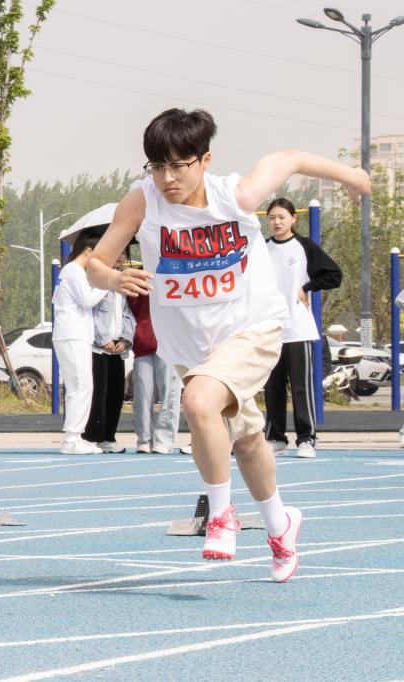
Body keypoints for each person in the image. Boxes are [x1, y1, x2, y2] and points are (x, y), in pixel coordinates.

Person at [86, 108, 370, 582]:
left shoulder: (234, 196)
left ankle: (220, 515)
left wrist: (353, 176)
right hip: (191, 344)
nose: (167, 178)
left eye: (178, 166)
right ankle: (281, 525)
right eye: (157, 166)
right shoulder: (142, 201)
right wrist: (113, 278)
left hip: (250, 326)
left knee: (199, 402)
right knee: (246, 439)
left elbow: (289, 157)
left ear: (204, 160)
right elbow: (96, 264)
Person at [263, 198, 342, 460]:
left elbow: (334, 275)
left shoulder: (304, 246)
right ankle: (275, 438)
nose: (276, 222)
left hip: (298, 328)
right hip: (270, 329)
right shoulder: (262, 249)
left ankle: (306, 439)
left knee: (301, 387)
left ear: (293, 218)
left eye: (282, 217)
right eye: (272, 217)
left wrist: (306, 287)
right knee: (273, 388)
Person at [52, 228, 109, 454]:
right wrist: (108, 284)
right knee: (80, 386)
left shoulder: (74, 271)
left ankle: (75, 436)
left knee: (82, 386)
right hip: (71, 334)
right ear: (88, 251)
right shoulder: (73, 270)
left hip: (76, 334)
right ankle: (72, 437)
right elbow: (87, 300)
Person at [84, 252, 134, 453]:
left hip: (117, 349)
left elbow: (128, 314)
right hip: (98, 348)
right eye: (117, 252)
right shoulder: (97, 282)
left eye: (124, 253)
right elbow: (92, 312)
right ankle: (92, 436)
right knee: (98, 393)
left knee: (115, 393)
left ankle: (108, 436)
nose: (120, 256)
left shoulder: (124, 284)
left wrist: (125, 339)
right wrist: (104, 339)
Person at [128, 293, 186, 454]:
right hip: (143, 342)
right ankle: (144, 439)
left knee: (169, 392)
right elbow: (131, 308)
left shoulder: (172, 280)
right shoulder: (140, 282)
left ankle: (164, 440)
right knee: (142, 394)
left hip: (168, 343)